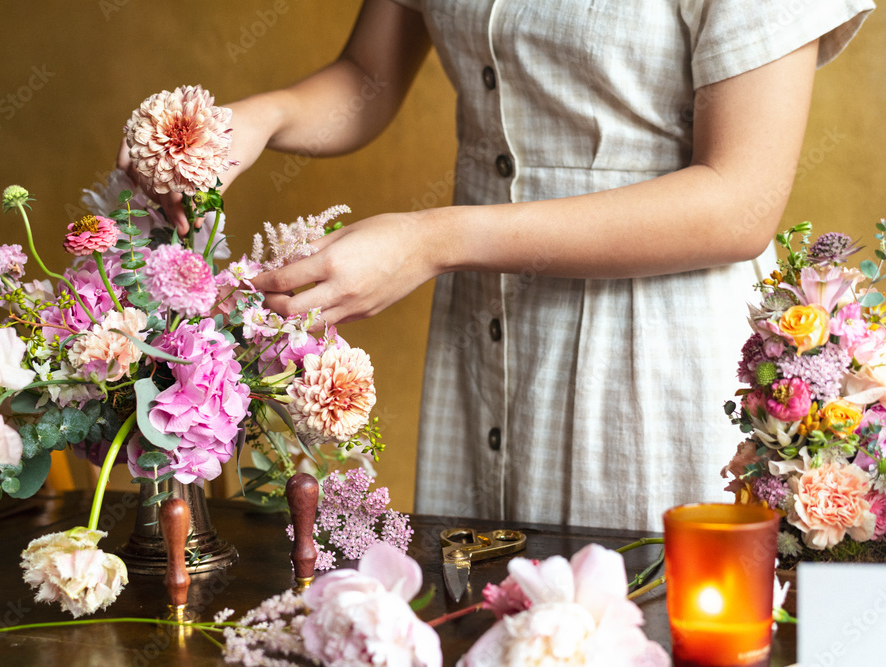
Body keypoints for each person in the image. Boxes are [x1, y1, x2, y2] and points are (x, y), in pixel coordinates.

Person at [120, 0, 874, 531]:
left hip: (654, 355)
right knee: (481, 617)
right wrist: (257, 118)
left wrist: (432, 241)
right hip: (485, 342)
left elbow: (737, 202)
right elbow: (367, 75)